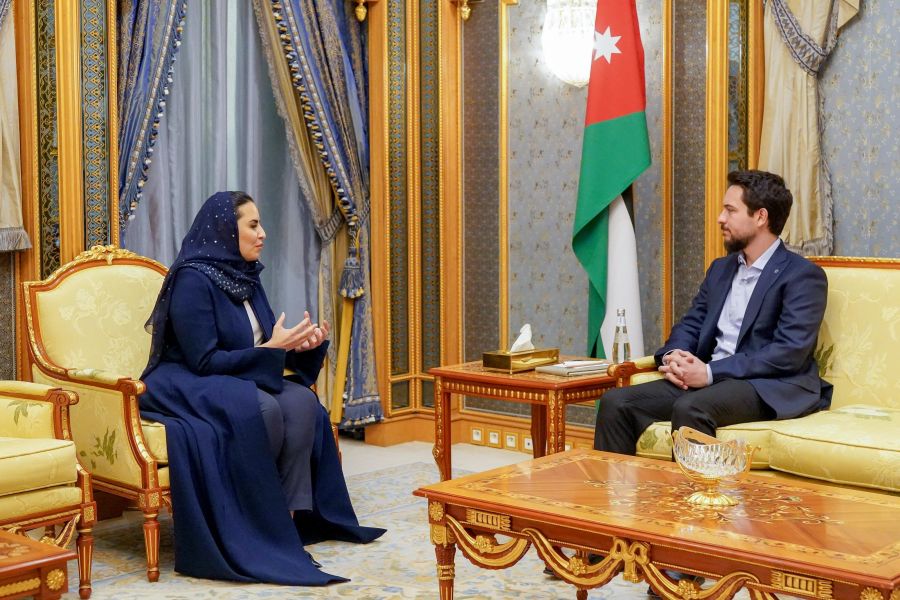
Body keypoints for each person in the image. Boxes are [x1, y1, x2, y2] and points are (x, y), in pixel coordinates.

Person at [139, 191, 384, 585]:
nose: (262, 233)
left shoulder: (246, 275)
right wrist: (271, 350)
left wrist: (301, 345)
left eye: (260, 224)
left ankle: (287, 519)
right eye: (253, 225)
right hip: (187, 379)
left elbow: (265, 344)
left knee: (302, 403)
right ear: (225, 229)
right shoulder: (192, 280)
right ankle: (253, 522)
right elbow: (204, 360)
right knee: (263, 410)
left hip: (235, 374)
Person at [594, 169, 831, 455]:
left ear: (760, 217)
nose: (720, 218)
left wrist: (708, 372)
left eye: (730, 210)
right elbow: (692, 324)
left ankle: (693, 488)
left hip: (766, 384)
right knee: (616, 402)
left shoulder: (802, 275)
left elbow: (787, 353)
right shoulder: (721, 269)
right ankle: (617, 485)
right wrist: (674, 356)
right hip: (712, 378)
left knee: (691, 407)